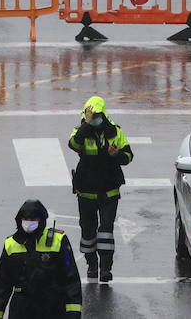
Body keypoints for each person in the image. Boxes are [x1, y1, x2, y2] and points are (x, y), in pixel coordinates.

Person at [67, 95, 133, 283]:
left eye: (97, 115)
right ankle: (91, 265)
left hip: (108, 191)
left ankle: (105, 268)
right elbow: (73, 144)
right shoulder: (80, 131)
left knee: (106, 230)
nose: (94, 118)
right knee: (87, 232)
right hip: (86, 191)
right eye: (91, 115)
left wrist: (117, 154)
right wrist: (86, 125)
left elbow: (128, 156)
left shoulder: (115, 131)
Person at [0, 199, 82, 319]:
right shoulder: (11, 244)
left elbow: (71, 278)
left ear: (41, 220)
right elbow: (1, 284)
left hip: (52, 306)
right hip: (22, 308)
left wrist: (73, 313)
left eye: (33, 219)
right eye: (26, 219)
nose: (29, 223)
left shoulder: (58, 240)